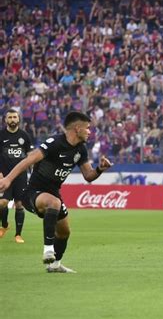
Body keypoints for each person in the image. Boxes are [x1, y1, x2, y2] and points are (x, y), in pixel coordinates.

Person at [0, 112, 112, 273]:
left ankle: (55, 265)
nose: (90, 132)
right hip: (32, 192)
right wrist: (8, 179)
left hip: (53, 193)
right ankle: (48, 250)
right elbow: (28, 160)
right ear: (77, 128)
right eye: (88, 128)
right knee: (53, 203)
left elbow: (88, 176)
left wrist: (100, 169)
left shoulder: (81, 149)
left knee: (64, 231)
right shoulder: (54, 143)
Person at [0, 109, 34, 243]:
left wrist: (32, 173)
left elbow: (30, 156)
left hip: (21, 177)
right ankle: (4, 225)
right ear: (6, 120)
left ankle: (18, 235)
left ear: (18, 119)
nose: (12, 119)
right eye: (10, 117)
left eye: (15, 117)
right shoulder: (1, 135)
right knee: (2, 203)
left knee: (19, 205)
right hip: (5, 177)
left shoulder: (25, 136)